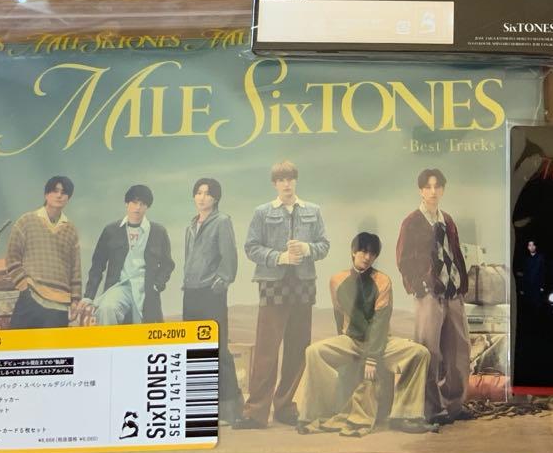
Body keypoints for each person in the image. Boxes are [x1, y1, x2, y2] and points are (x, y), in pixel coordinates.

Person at [295, 233, 435, 437]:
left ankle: (405, 415)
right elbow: (339, 314)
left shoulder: (383, 281)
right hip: (351, 341)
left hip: (380, 342)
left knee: (420, 353)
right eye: (363, 251)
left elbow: (380, 322)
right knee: (313, 352)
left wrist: (371, 358)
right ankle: (314, 414)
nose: (367, 257)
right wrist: (343, 345)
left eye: (372, 253)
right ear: (353, 252)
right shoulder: (337, 280)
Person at [237, 161, 330, 429]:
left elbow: (324, 245)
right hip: (272, 286)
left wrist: (307, 249)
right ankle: (256, 412)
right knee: (266, 350)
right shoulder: (262, 212)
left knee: (297, 349)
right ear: (274, 184)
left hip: (303, 286)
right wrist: (280, 257)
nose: (286, 184)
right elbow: (251, 248)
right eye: (281, 179)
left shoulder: (313, 210)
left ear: (295, 181)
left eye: (290, 178)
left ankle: (285, 406)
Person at [395, 169, 471, 424]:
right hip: (429, 295)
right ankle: (433, 408)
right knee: (429, 352)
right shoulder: (412, 221)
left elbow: (455, 252)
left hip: (452, 293)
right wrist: (420, 287)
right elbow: (403, 259)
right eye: (428, 187)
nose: (433, 191)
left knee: (459, 351)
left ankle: (454, 406)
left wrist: (461, 285)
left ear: (443, 189)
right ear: (421, 190)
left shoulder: (447, 220)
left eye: (437, 186)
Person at [182, 178, 243, 425]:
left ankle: (230, 411)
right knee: (195, 351)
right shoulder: (190, 225)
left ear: (215, 198)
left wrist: (220, 283)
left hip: (211, 293)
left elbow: (229, 258)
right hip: (190, 292)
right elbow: (189, 259)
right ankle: (202, 408)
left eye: (207, 193)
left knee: (219, 350)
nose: (202, 197)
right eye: (198, 192)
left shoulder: (222, 221)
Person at [83, 184, 174, 326]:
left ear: (147, 207)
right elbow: (97, 265)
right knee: (107, 309)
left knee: (145, 328)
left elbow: (167, 264)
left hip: (146, 288)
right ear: (127, 203)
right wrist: (89, 296)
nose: (138, 207)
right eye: (134, 202)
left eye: (142, 204)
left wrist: (157, 285)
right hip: (119, 287)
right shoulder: (111, 230)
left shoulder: (158, 231)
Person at [5, 176, 82, 329]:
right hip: (31, 297)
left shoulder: (71, 230)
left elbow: (75, 269)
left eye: (64, 192)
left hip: (59, 304)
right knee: (17, 342)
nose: (59, 195)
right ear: (46, 194)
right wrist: (24, 286)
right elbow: (12, 257)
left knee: (54, 345)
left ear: (68, 198)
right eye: (55, 191)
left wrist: (75, 299)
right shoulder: (27, 221)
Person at [516, 239, 547, 322]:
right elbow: (523, 274)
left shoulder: (541, 257)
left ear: (535, 246)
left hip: (537, 286)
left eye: (533, 245)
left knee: (537, 307)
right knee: (528, 308)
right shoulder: (526, 259)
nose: (531, 247)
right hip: (527, 287)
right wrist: (522, 288)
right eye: (530, 245)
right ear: (528, 247)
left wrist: (542, 286)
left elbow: (543, 272)